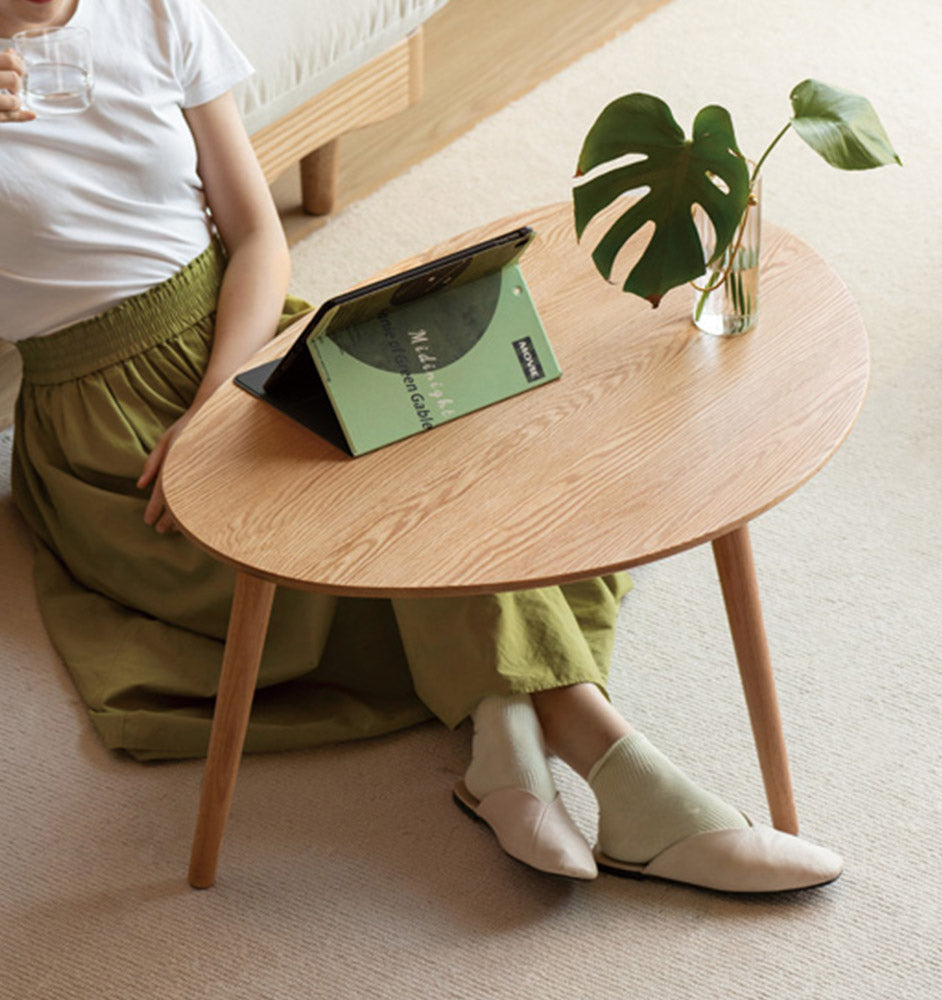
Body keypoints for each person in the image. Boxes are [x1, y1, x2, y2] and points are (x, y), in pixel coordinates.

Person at [0, 0, 842, 893]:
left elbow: (255, 237)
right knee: (339, 551)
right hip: (106, 422)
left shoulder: (156, 12)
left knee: (446, 481)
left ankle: (508, 748)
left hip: (246, 345)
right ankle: (624, 775)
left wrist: (214, 400)